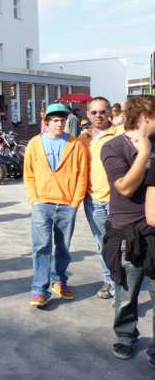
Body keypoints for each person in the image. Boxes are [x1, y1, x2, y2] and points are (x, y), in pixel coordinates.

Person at [103, 96, 155, 362]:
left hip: (154, 229)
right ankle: (125, 336)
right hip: (127, 232)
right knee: (126, 293)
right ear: (145, 117)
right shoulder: (113, 147)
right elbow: (124, 187)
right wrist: (144, 153)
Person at [24, 103, 88, 307]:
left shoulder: (75, 144)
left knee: (63, 247)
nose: (59, 124)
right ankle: (39, 289)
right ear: (47, 122)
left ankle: (59, 280)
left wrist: (75, 202)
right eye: (55, 120)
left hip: (67, 204)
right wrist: (34, 199)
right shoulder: (35, 144)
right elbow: (29, 174)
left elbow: (82, 175)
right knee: (41, 246)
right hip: (42, 203)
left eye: (62, 120)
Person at [78, 97, 117, 299]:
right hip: (93, 200)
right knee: (102, 243)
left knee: (122, 245)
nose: (99, 115)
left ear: (109, 112)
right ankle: (109, 280)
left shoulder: (121, 134)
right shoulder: (83, 139)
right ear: (87, 114)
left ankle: (122, 284)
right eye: (94, 112)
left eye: (102, 111)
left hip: (119, 201)